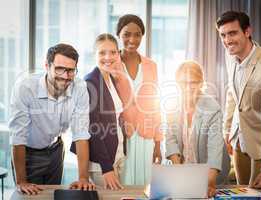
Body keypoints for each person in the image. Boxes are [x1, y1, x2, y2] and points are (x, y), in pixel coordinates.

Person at [9, 43, 95, 195]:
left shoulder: (79, 87)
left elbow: (81, 133)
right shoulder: (25, 87)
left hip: (56, 150)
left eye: (70, 70)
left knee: (52, 196)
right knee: (29, 197)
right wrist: (21, 181)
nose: (65, 76)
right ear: (47, 66)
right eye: (59, 69)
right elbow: (18, 136)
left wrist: (83, 178)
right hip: (29, 154)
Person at [216, 11, 261, 189]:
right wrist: (226, 130)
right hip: (238, 137)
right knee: (241, 191)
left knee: (258, 193)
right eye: (223, 35)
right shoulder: (229, 54)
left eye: (232, 33)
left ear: (247, 31)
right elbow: (232, 93)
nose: (227, 40)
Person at [71, 33, 135, 190]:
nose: (108, 57)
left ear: (118, 54)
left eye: (113, 52)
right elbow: (93, 129)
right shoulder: (90, 83)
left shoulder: (110, 79)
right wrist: (106, 168)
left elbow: (112, 113)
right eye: (102, 52)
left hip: (116, 153)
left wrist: (123, 123)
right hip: (102, 162)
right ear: (94, 55)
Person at [165, 60, 230, 198]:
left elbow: (215, 147)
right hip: (185, 167)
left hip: (211, 172)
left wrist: (210, 180)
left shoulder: (212, 108)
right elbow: (171, 139)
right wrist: (178, 171)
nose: (188, 87)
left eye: (193, 82)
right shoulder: (171, 105)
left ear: (201, 83)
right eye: (183, 83)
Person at [116, 14, 163, 185]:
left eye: (137, 35)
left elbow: (156, 106)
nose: (132, 39)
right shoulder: (112, 64)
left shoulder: (151, 65)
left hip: (146, 134)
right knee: (123, 183)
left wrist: (158, 145)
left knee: (146, 184)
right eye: (127, 34)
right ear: (118, 35)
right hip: (122, 135)